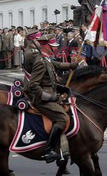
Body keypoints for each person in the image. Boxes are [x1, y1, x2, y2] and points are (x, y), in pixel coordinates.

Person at [23, 30, 78, 163]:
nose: (56, 49)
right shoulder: (40, 60)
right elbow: (33, 85)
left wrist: (70, 65)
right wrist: (50, 97)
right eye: (53, 47)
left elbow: (54, 65)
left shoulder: (45, 58)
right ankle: (49, 150)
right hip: (42, 98)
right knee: (62, 119)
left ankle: (63, 151)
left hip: (50, 92)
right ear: (47, 46)